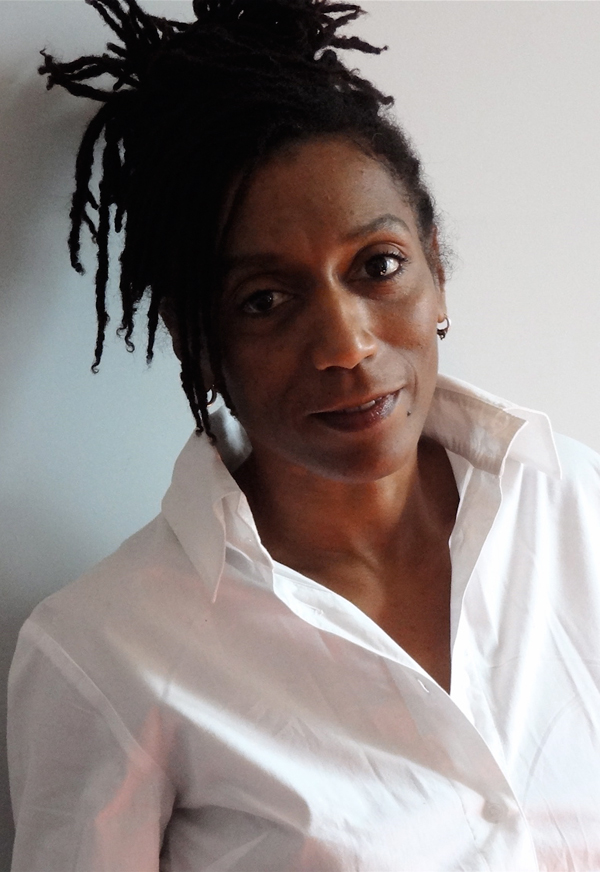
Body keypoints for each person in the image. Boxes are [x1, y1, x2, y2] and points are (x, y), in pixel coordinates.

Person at [7, 0, 600, 869]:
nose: (346, 345)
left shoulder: (575, 505)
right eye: (266, 301)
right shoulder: (104, 653)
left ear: (437, 270)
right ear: (196, 341)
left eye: (379, 265)